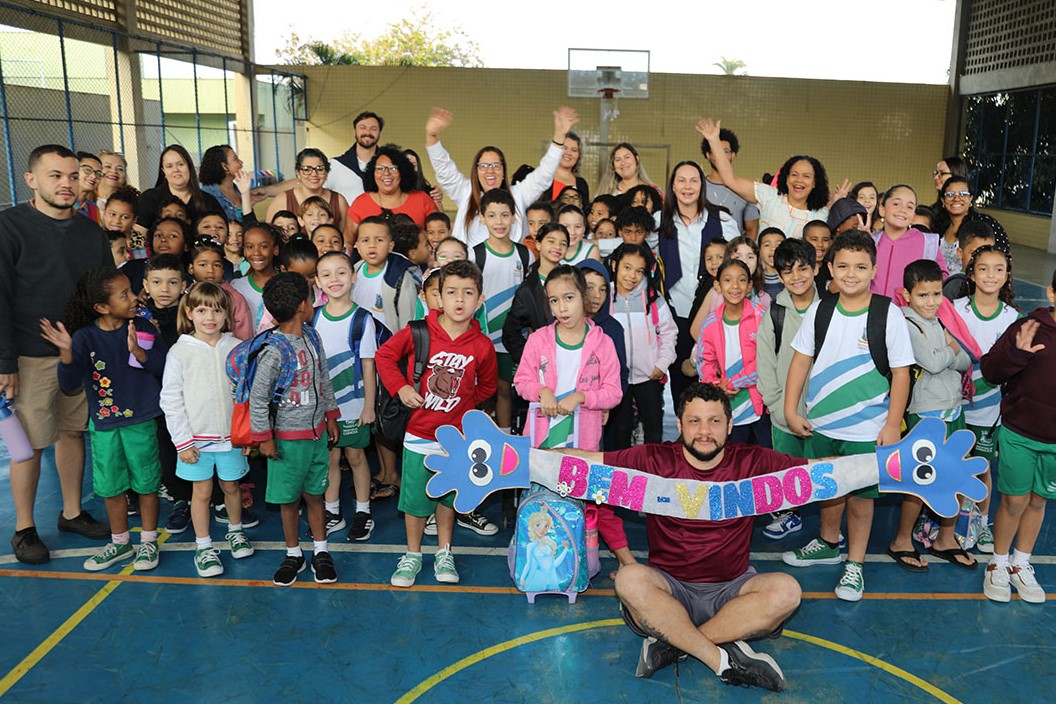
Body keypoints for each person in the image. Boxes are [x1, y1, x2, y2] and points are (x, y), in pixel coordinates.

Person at [564, 382, 802, 692]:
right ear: (679, 425)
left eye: (715, 421)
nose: (705, 431)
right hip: (669, 589)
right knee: (629, 580)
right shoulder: (654, 459)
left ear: (730, 425)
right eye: (694, 421)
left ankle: (674, 642)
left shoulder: (753, 461)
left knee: (787, 592)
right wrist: (526, 458)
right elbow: (585, 461)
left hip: (733, 589)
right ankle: (722, 660)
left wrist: (879, 465)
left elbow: (821, 472)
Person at [783, 231, 913, 601]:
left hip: (867, 428)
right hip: (822, 423)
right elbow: (800, 360)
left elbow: (901, 372)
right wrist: (791, 409)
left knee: (860, 498)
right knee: (827, 487)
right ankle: (827, 542)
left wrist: (891, 424)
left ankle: (855, 563)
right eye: (843, 266)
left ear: (874, 269)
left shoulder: (887, 313)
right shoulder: (820, 310)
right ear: (830, 269)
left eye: (860, 266)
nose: (851, 274)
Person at [1, 145, 112, 564]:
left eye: (72, 175)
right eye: (55, 176)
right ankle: (24, 528)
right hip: (28, 358)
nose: (66, 183)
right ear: (31, 180)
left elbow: (101, 294)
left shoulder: (90, 233)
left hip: (80, 353)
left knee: (72, 431)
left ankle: (71, 512)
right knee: (28, 446)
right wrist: (4, 362)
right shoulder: (9, 227)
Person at [376, 260, 498, 588]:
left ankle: (445, 551)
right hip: (418, 434)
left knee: (447, 499)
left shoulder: (482, 346)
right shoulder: (419, 331)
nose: (460, 300)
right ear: (439, 298)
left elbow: (487, 387)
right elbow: (384, 357)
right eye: (452, 292)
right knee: (416, 501)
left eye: (468, 293)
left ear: (480, 300)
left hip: (457, 438)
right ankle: (413, 554)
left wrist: (466, 409)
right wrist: (401, 388)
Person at [41, 266, 169, 572]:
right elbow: (70, 384)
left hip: (140, 418)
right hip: (104, 423)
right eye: (124, 294)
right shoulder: (84, 337)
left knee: (146, 483)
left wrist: (139, 352)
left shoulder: (142, 327)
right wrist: (66, 353)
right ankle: (120, 541)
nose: (134, 297)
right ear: (101, 306)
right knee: (111, 486)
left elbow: (162, 367)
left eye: (132, 290)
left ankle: (149, 541)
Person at [514, 265, 632, 572]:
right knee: (538, 503)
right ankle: (536, 567)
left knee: (589, 505)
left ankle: (581, 563)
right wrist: (542, 391)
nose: (561, 308)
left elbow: (613, 392)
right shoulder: (539, 339)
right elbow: (521, 381)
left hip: (583, 445)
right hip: (542, 444)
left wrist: (581, 397)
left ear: (585, 298)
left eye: (568, 298)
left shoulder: (602, 342)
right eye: (553, 301)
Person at [159, 282, 253, 577]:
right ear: (189, 313)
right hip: (196, 441)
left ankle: (235, 532)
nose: (209, 317)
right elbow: (170, 399)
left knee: (231, 487)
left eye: (216, 310)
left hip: (232, 438)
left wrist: (249, 434)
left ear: (228, 315)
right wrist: (182, 441)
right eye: (201, 310)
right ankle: (204, 547)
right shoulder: (179, 352)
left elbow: (247, 394)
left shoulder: (237, 348)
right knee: (201, 492)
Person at [252, 272, 340, 586]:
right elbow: (258, 396)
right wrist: (264, 437)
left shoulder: (313, 337)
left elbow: (324, 378)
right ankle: (293, 554)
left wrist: (330, 414)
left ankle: (321, 550)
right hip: (286, 442)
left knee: (315, 496)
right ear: (303, 305)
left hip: (316, 435)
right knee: (289, 501)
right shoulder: (274, 349)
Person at [887, 260, 974, 572]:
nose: (932, 301)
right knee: (921, 482)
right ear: (907, 295)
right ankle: (901, 540)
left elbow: (966, 360)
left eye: (937, 294)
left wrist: (949, 353)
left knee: (955, 477)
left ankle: (946, 538)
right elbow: (934, 362)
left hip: (953, 409)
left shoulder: (942, 320)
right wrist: (951, 352)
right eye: (923, 295)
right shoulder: (906, 324)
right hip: (926, 414)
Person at [979, 268, 1056, 604]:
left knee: (1038, 502)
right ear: (1052, 294)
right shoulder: (1029, 327)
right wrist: (1018, 355)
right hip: (1020, 433)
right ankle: (997, 562)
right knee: (1014, 501)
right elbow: (990, 370)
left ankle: (1021, 563)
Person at [425, 105, 579, 247]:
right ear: (476, 171)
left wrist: (559, 136)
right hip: (468, 272)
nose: (490, 171)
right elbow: (444, 169)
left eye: (496, 166)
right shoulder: (466, 192)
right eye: (484, 166)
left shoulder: (518, 194)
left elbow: (543, 174)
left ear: (504, 171)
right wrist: (432, 135)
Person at [654, 161, 740, 411]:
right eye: (681, 180)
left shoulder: (721, 219)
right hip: (676, 312)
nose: (687, 186)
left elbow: (737, 259)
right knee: (681, 379)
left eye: (694, 180)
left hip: (716, 313)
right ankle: (684, 436)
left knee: (715, 378)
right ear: (672, 186)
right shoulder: (660, 220)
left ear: (702, 185)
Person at [952, 245, 1019, 554]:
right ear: (972, 274)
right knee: (951, 465)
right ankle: (948, 521)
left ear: (1006, 276)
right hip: (952, 403)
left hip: (988, 408)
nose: (990, 274)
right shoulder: (955, 308)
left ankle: (981, 522)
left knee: (981, 468)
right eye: (983, 268)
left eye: (998, 269)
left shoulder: (1012, 318)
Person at [756, 238, 820, 540]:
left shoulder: (831, 309)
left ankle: (828, 528)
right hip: (784, 411)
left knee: (821, 469)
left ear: (816, 268)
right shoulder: (774, 313)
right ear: (779, 276)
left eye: (803, 269)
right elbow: (765, 362)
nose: (796, 277)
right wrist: (776, 404)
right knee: (788, 468)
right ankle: (788, 514)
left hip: (823, 412)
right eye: (788, 272)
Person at [313, 251, 378, 541]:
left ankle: (363, 511)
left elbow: (368, 365)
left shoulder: (364, 320)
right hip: (324, 408)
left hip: (353, 406)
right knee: (330, 458)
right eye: (326, 274)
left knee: (355, 456)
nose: (334, 279)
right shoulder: (312, 318)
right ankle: (333, 511)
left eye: (341, 272)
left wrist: (369, 406)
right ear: (317, 282)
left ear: (353, 277)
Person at [697, 118, 849, 239]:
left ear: (815, 183)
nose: (799, 180)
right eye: (794, 175)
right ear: (786, 178)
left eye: (806, 176)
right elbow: (730, 180)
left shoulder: (822, 215)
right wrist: (714, 141)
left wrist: (836, 207)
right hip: (763, 277)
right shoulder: (769, 196)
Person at [474, 189, 535, 435]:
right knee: (480, 390)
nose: (499, 222)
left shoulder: (525, 254)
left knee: (505, 390)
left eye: (504, 215)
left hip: (513, 336)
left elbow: (531, 297)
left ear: (513, 217)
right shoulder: (475, 254)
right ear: (482, 218)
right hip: (483, 337)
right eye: (492, 215)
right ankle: (476, 437)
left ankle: (505, 437)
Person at [693, 260, 770, 447]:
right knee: (733, 460)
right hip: (727, 404)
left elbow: (766, 362)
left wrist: (735, 383)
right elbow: (705, 361)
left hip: (759, 404)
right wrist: (716, 386)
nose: (735, 286)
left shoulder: (762, 316)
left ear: (750, 285)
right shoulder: (710, 323)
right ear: (717, 285)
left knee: (764, 459)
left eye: (742, 280)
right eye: (727, 280)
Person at [609, 243, 676, 445]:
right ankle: (621, 471)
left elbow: (669, 332)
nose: (632, 276)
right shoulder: (604, 298)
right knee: (620, 428)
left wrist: (661, 364)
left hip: (650, 375)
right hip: (616, 378)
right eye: (627, 268)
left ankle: (652, 471)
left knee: (653, 427)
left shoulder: (653, 299)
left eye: (639, 271)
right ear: (614, 266)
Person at [503, 223, 569, 364]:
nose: (557, 247)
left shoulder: (573, 279)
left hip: (573, 356)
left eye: (563, 244)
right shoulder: (528, 289)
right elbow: (510, 332)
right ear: (538, 245)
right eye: (551, 241)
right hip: (545, 362)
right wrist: (530, 359)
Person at [345, 146, 437, 246]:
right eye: (380, 168)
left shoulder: (422, 199)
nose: (386, 173)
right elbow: (348, 243)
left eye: (393, 168)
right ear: (373, 173)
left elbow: (438, 234)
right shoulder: (361, 203)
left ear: (402, 172)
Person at [871, 184, 947, 300]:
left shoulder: (928, 243)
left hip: (909, 316)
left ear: (913, 215)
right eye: (896, 204)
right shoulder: (871, 242)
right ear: (882, 209)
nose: (902, 210)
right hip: (870, 312)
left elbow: (942, 278)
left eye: (910, 207)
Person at [353, 215, 420, 336]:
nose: (372, 245)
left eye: (379, 240)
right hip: (357, 343)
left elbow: (408, 322)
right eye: (365, 240)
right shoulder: (353, 272)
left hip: (387, 346)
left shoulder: (400, 278)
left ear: (390, 246)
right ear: (357, 246)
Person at [135, 145, 223, 237]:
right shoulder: (149, 198)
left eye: (181, 164)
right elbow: (138, 237)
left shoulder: (208, 201)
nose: (176, 170)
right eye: (169, 166)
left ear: (189, 167)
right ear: (163, 171)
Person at [264, 148, 348, 234]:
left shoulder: (339, 201)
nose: (314, 174)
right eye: (307, 169)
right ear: (298, 173)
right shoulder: (282, 200)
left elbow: (345, 239)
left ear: (326, 172)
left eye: (320, 169)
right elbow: (268, 237)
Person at [187, 239, 253, 341]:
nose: (210, 270)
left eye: (216, 265)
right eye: (203, 265)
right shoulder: (187, 295)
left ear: (223, 269)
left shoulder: (235, 298)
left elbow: (244, 339)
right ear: (191, 268)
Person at [699, 128, 760, 238]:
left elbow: (752, 230)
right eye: (715, 151)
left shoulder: (743, 189)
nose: (720, 156)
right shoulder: (697, 188)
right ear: (708, 155)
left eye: (725, 151)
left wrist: (742, 254)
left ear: (733, 155)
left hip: (734, 252)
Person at [931, 176, 1010, 256]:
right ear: (943, 200)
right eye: (950, 194)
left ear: (970, 199)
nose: (956, 198)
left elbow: (1002, 257)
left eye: (963, 194)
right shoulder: (937, 225)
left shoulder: (986, 223)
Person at [231, 223, 281, 330]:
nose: (256, 252)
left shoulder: (287, 285)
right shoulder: (236, 287)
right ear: (244, 250)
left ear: (275, 249)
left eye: (263, 246)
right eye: (250, 247)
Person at [198, 144, 256, 224]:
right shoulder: (207, 195)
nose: (241, 162)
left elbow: (252, 225)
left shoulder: (239, 190)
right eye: (235, 159)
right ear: (224, 166)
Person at [942, 220, 996, 300]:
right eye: (974, 253)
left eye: (987, 253)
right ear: (960, 253)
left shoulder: (995, 283)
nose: (982, 259)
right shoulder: (956, 286)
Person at [544, 131, 590, 203]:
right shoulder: (543, 178)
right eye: (564, 148)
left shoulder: (581, 184)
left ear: (579, 155)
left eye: (574, 150)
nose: (568, 153)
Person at [758, 228, 786, 299]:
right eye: (767, 245)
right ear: (760, 251)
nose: (773, 248)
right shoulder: (756, 279)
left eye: (779, 244)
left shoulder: (792, 277)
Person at [75, 151, 102, 223]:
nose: (93, 176)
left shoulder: (93, 208)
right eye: (88, 170)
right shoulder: (61, 202)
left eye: (98, 173)